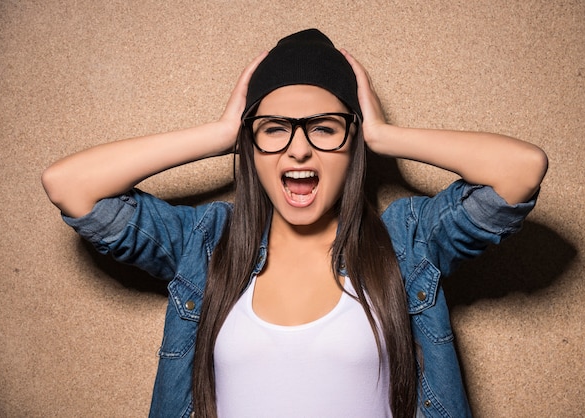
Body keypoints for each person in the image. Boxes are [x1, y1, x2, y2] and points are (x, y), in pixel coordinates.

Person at [41, 29, 548, 418]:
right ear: (251, 146)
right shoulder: (204, 244)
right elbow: (71, 186)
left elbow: (519, 173)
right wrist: (221, 133)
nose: (299, 147)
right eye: (274, 129)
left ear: (353, 145)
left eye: (325, 128)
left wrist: (386, 137)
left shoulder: (406, 241)